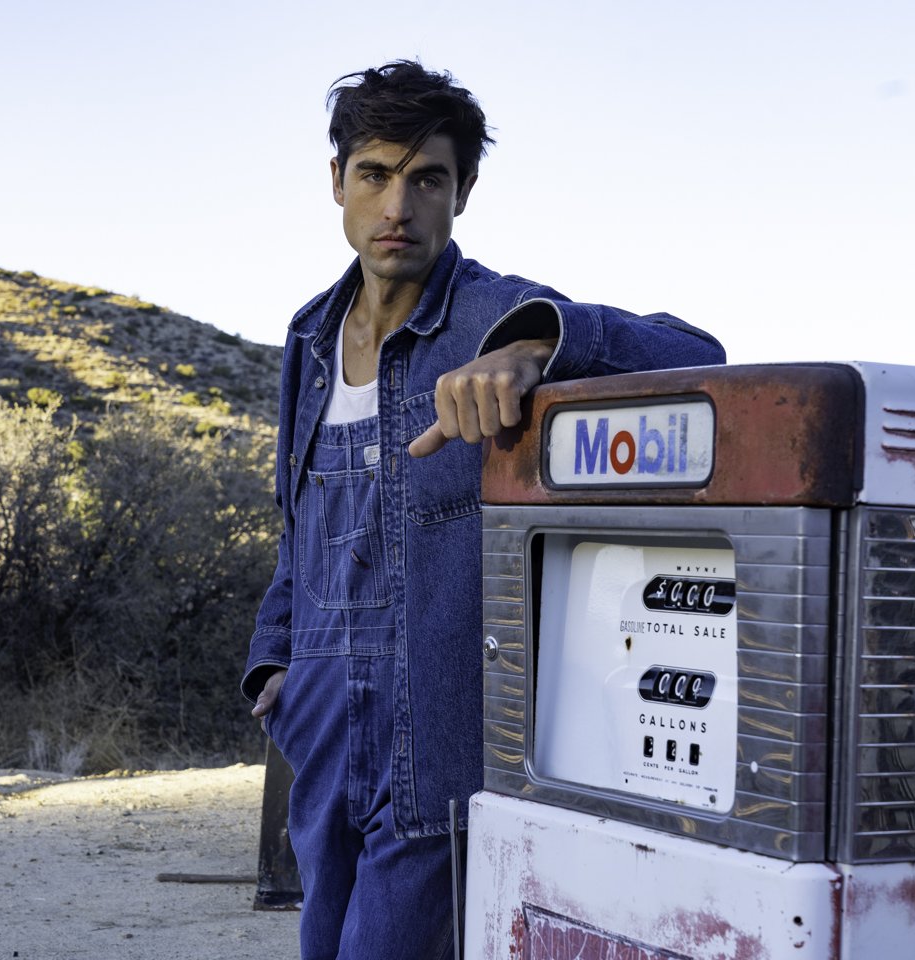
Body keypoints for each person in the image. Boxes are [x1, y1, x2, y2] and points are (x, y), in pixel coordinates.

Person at [242, 60, 725, 959]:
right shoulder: (308, 336)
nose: (398, 207)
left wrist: (541, 346)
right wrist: (274, 667)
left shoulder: (490, 313)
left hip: (436, 721)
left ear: (461, 192)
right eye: (375, 175)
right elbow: (298, 520)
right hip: (316, 719)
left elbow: (696, 348)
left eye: (426, 179)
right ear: (336, 182)